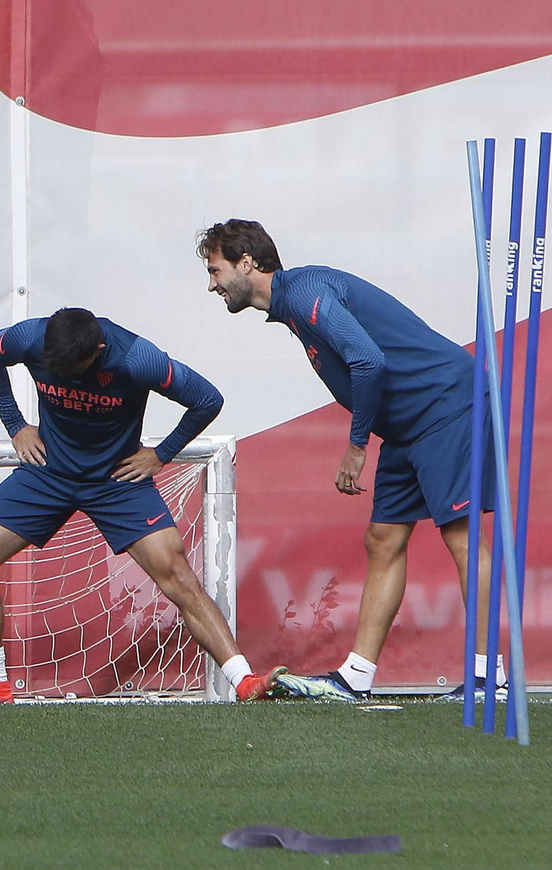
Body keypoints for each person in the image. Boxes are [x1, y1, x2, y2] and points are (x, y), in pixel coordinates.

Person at [200, 219, 500, 702]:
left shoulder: (302, 293)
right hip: (407, 425)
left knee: (461, 536)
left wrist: (356, 446)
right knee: (383, 538)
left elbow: (367, 359)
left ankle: (490, 677)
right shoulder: (291, 306)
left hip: (446, 404)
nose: (211, 284)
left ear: (246, 263)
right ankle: (355, 677)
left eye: (215, 270)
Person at [0, 307, 281, 703]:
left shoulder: (136, 358)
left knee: (176, 573)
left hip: (117, 482)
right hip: (48, 472)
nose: (67, 378)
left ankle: (244, 681)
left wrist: (162, 454)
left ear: (99, 350)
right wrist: (15, 424)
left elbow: (206, 399)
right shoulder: (29, 337)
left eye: (76, 369)